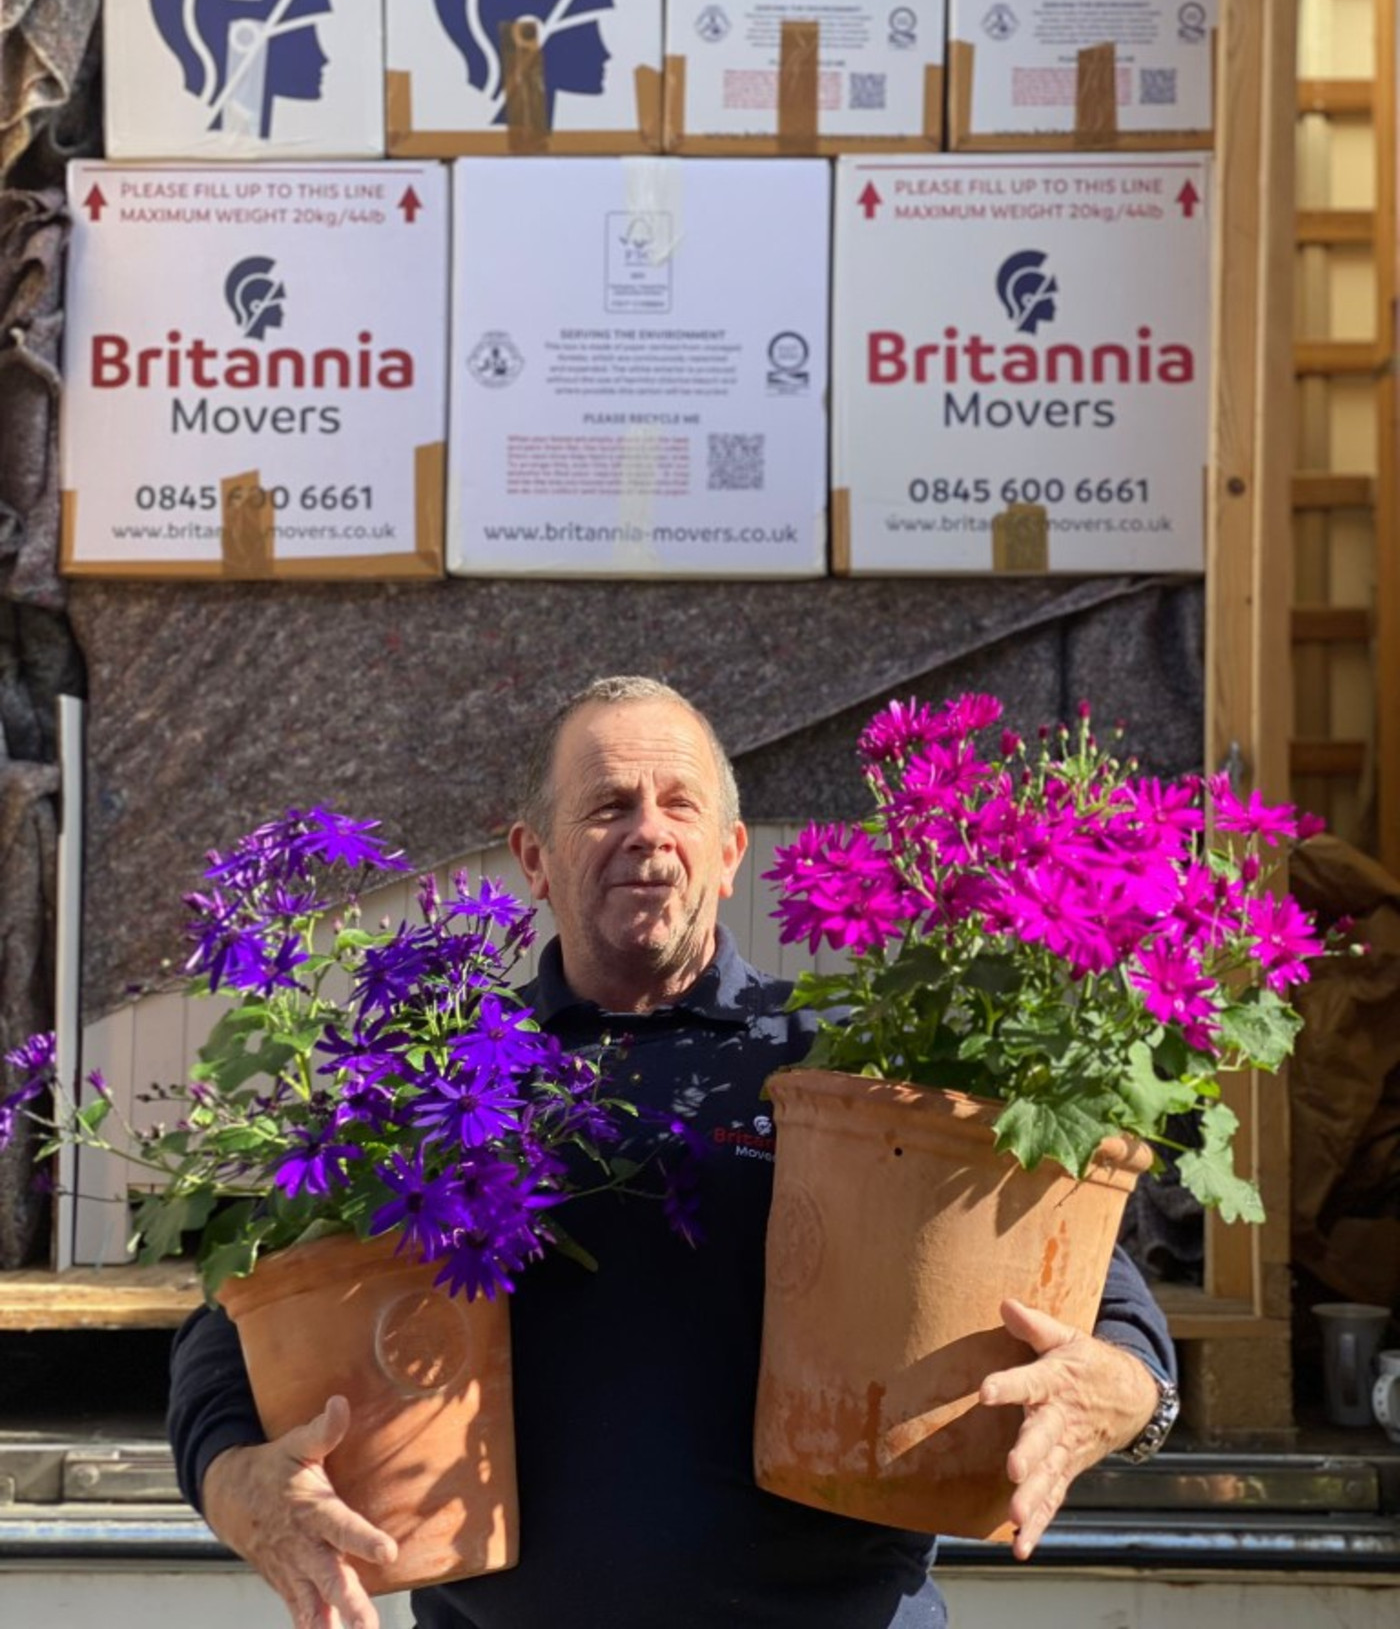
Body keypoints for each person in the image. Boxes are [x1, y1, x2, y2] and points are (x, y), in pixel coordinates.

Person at [168, 676, 1176, 1629]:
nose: (647, 830)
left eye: (678, 804)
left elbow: (1101, 1297)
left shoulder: (850, 1066)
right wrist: (234, 1480)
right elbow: (239, 1320)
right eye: (606, 806)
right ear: (531, 856)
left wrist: (1122, 1390)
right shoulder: (438, 1079)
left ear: (731, 849)